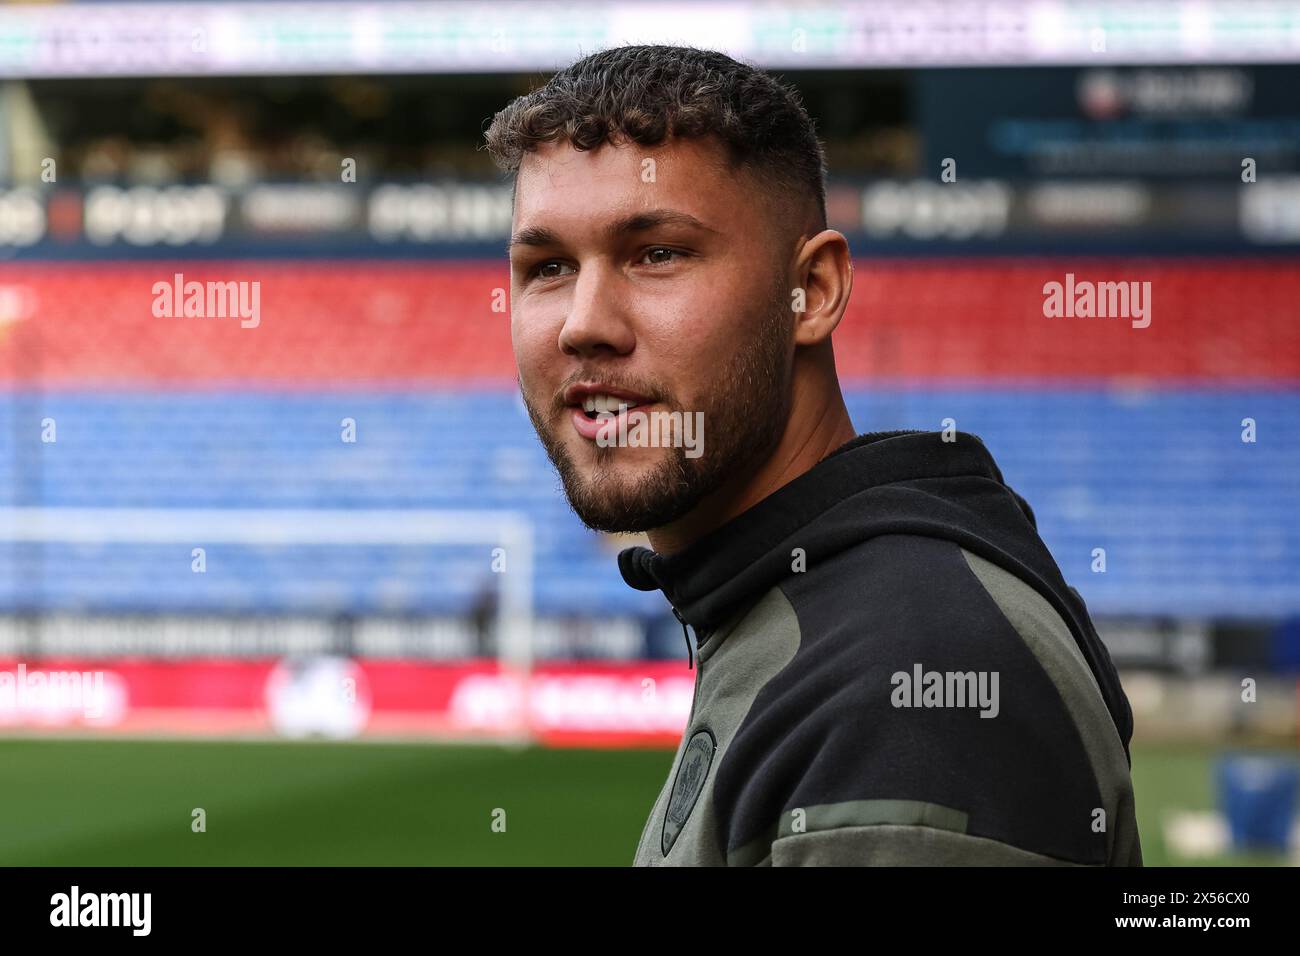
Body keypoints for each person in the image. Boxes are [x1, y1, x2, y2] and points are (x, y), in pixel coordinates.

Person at [486, 44, 1141, 866]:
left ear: (815, 291)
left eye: (657, 253)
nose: (583, 322)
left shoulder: (906, 682)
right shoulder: (799, 608)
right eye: (546, 267)